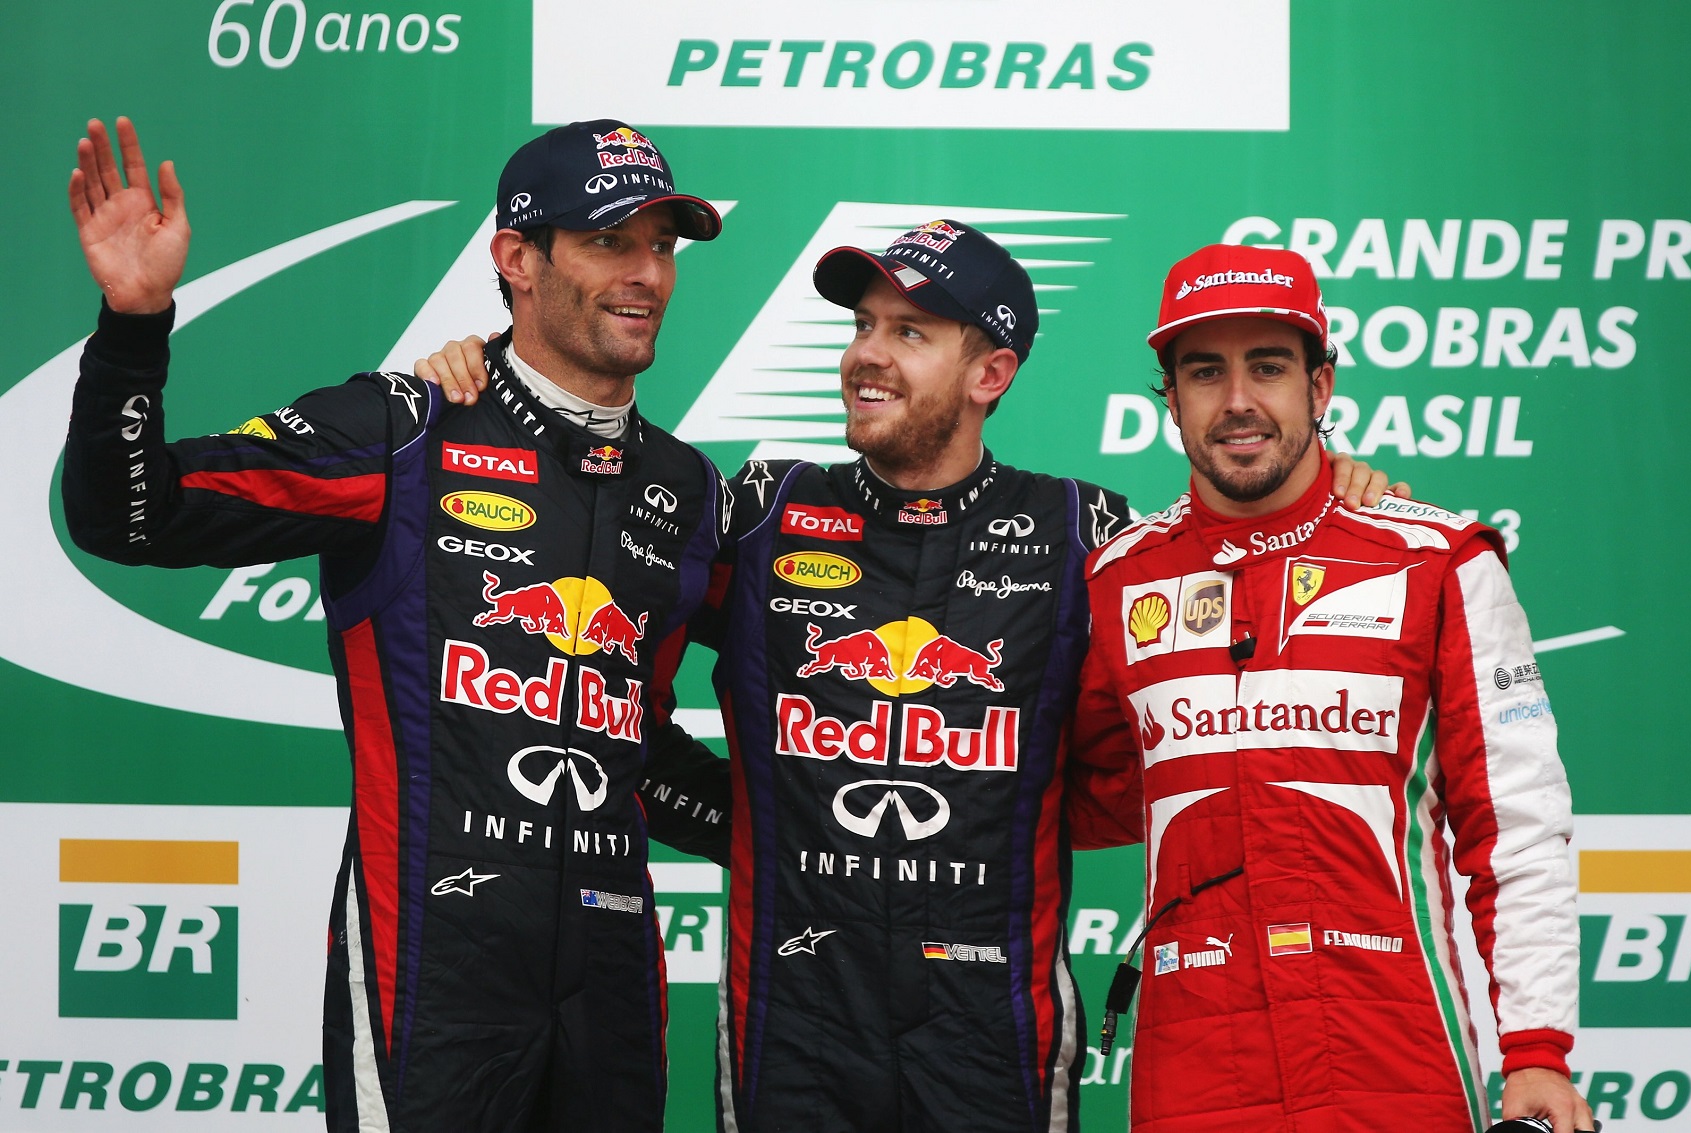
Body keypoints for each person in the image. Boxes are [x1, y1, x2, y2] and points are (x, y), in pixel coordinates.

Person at [418, 221, 1396, 1132]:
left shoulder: (1082, 533)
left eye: (910, 331)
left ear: (990, 371)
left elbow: (1194, 715)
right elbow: (600, 660)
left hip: (991, 1037)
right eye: (863, 325)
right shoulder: (760, 512)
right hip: (792, 1031)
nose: (866, 354)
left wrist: (1338, 492)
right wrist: (496, 390)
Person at [61, 115, 732, 1133]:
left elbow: (633, 742)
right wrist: (134, 323)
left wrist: (813, 836)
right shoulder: (401, 428)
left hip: (611, 968)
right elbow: (130, 513)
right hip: (431, 956)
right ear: (516, 258)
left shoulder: (685, 487)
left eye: (661, 245)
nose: (644, 273)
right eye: (608, 241)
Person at [1068, 243, 1593, 1132]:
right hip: (1192, 1063)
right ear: (1170, 398)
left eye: (1268, 366)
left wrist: (1536, 1049)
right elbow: (1082, 795)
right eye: (1206, 371)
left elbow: (1518, 825)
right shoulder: (1113, 582)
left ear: (1320, 387)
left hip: (1390, 1048)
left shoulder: (1436, 562)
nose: (1238, 400)